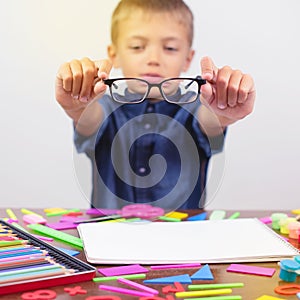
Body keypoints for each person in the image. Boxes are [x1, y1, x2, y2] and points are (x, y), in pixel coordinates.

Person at [55, 0, 255, 210]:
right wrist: (78, 107)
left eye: (169, 48)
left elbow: (210, 122)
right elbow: (88, 118)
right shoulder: (102, 107)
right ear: (114, 55)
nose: (153, 58)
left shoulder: (198, 109)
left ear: (187, 59)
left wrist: (222, 113)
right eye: (137, 47)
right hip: (107, 238)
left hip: (183, 239)